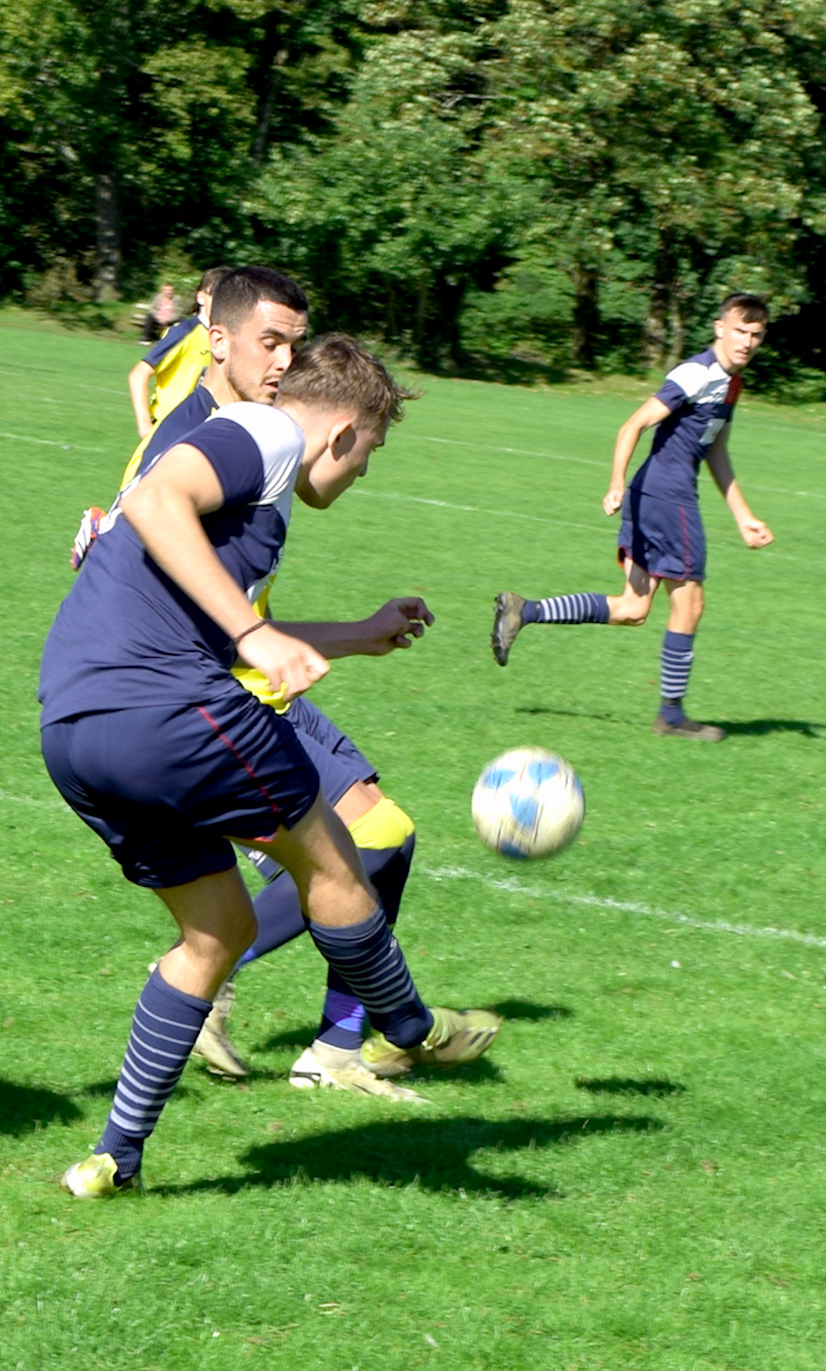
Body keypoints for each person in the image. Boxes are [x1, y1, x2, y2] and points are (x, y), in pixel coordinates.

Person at [39, 335, 503, 1197]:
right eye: (372, 450)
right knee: (340, 858)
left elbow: (199, 615)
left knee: (217, 930)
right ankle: (412, 1025)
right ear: (343, 432)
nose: (365, 471)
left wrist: (350, 635)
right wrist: (256, 635)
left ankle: (114, 1157)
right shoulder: (270, 433)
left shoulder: (257, 482)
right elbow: (154, 497)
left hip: (75, 727)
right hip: (171, 710)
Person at [82, 268, 426, 1101]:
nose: (282, 361)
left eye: (291, 347)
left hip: (211, 677)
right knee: (371, 838)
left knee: (382, 838)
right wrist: (248, 632)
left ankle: (335, 1036)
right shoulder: (239, 436)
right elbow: (165, 522)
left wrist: (353, 634)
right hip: (208, 690)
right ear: (219, 334)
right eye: (270, 342)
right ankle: (326, 1020)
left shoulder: (231, 431)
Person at [491, 293, 776, 740]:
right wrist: (614, 483)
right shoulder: (697, 374)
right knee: (690, 603)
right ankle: (672, 717)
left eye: (756, 335)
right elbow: (633, 425)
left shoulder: (731, 383)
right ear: (720, 327)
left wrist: (743, 516)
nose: (747, 341)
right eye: (740, 330)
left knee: (633, 608)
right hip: (668, 497)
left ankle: (525, 611)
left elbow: (715, 448)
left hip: (657, 495)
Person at [126, 268, 228, 438]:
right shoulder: (184, 333)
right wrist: (145, 426)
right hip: (168, 430)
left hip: (199, 433)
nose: (222, 304)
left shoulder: (224, 339)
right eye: (216, 296)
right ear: (201, 297)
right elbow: (138, 374)